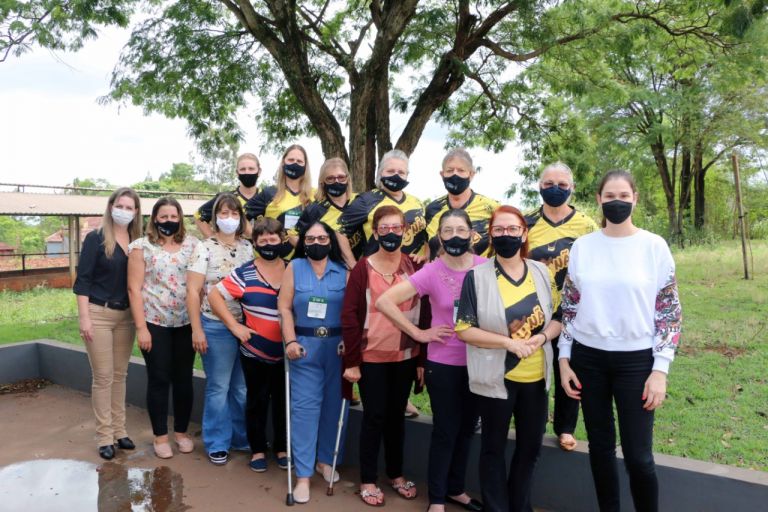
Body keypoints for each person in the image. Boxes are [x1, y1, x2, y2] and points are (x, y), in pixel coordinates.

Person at [558, 170, 681, 512]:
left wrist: (660, 370)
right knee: (600, 449)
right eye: (610, 196)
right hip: (588, 359)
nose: (617, 202)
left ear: (635, 199)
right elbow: (570, 305)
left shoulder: (654, 247)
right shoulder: (583, 247)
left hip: (637, 362)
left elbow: (669, 311)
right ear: (599, 199)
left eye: (624, 196)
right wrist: (564, 359)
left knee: (639, 456)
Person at [376, 209, 485, 512]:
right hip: (444, 364)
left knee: (467, 430)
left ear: (471, 234)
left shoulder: (487, 268)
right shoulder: (431, 272)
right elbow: (384, 301)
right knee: (446, 431)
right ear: (439, 236)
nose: (454, 236)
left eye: (460, 230)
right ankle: (437, 499)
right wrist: (419, 333)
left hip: (479, 363)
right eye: (447, 231)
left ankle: (456, 489)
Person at [455, 205, 562, 512]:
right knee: (493, 449)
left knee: (530, 449)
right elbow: (464, 329)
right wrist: (508, 343)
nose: (506, 235)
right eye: (499, 230)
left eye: (512, 229)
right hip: (496, 378)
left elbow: (558, 318)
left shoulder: (542, 272)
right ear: (490, 235)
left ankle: (520, 505)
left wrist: (542, 338)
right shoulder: (476, 277)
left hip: (536, 378)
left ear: (524, 233)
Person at [342, 205, 422, 507]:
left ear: (405, 231)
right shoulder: (362, 269)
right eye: (384, 228)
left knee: (396, 417)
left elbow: (425, 312)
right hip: (371, 357)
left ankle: (396, 474)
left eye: (396, 227)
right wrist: (352, 362)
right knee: (374, 417)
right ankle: (367, 479)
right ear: (375, 233)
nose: (391, 233)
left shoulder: (414, 266)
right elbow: (350, 316)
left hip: (405, 355)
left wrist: (421, 360)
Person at [525, 161, 597, 451]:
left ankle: (565, 427)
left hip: (572, 313)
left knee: (569, 368)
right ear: (539, 186)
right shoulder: (527, 223)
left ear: (572, 188)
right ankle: (535, 422)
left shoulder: (587, 226)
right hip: (534, 311)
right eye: (548, 184)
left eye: (562, 184)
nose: (555, 189)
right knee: (536, 370)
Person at [208, 218, 288, 472]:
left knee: (284, 401)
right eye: (262, 240)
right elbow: (214, 294)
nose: (268, 244)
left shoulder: (293, 269)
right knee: (256, 401)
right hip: (255, 352)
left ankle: (282, 448)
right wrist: (234, 326)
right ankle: (257, 450)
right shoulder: (244, 273)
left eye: (273, 239)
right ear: (255, 243)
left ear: (282, 240)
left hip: (288, 352)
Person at [277, 221, 349, 504]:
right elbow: (284, 307)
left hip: (336, 348)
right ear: (303, 242)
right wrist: (290, 341)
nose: (316, 243)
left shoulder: (342, 271)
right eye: (310, 238)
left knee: (334, 406)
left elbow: (353, 311)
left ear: (330, 241)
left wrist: (349, 341)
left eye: (321, 238)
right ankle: (303, 475)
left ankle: (325, 461)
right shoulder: (294, 268)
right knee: (305, 410)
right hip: (304, 347)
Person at [127, 197, 200, 459]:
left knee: (183, 379)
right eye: (164, 216)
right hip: (154, 322)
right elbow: (134, 289)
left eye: (173, 216)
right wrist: (141, 328)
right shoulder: (141, 247)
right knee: (158, 379)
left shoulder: (192, 245)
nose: (169, 221)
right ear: (154, 219)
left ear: (180, 218)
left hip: (185, 322)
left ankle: (181, 432)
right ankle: (160, 436)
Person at [73, 187, 142, 460]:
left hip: (126, 317)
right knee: (103, 377)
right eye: (120, 206)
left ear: (136, 212)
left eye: (129, 207)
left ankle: (120, 431)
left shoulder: (138, 241)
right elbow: (83, 281)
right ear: (111, 207)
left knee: (120, 375)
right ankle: (104, 436)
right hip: (98, 314)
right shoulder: (96, 238)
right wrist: (84, 318)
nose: (124, 211)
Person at [187, 193, 253, 465]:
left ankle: (241, 437)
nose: (229, 218)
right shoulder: (204, 248)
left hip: (246, 327)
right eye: (224, 213)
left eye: (234, 213)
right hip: (215, 327)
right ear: (215, 218)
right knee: (218, 387)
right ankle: (216, 441)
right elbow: (193, 291)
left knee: (241, 388)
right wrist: (197, 330)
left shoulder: (248, 248)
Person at [338, 149, 427, 265]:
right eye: (390, 171)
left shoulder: (417, 202)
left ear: (407, 175)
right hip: (377, 271)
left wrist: (426, 256)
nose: (396, 175)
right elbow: (339, 231)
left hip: (414, 271)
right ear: (380, 173)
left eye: (401, 172)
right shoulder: (366, 201)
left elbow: (428, 235)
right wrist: (352, 264)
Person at [425, 148, 499, 258]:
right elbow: (427, 250)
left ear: (471, 174)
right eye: (450, 170)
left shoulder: (492, 208)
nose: (455, 174)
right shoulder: (432, 209)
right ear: (442, 174)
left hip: (481, 268)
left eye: (461, 170)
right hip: (440, 268)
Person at [246, 144, 314, 260]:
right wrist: (256, 238)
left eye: (299, 161)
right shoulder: (269, 192)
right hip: (271, 260)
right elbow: (241, 214)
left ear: (305, 165)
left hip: (305, 260)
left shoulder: (315, 195)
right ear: (283, 162)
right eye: (291, 160)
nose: (294, 164)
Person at [296, 157, 364, 268]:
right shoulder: (314, 209)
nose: (336, 181)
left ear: (348, 179)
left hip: (361, 266)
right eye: (330, 178)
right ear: (322, 182)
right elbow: (294, 235)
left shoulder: (360, 202)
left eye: (341, 177)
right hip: (328, 269)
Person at [194, 152, 262, 238]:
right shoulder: (226, 198)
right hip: (234, 246)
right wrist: (214, 240)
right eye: (242, 169)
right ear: (237, 173)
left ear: (259, 171)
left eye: (251, 169)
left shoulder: (268, 197)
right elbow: (198, 216)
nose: (247, 172)